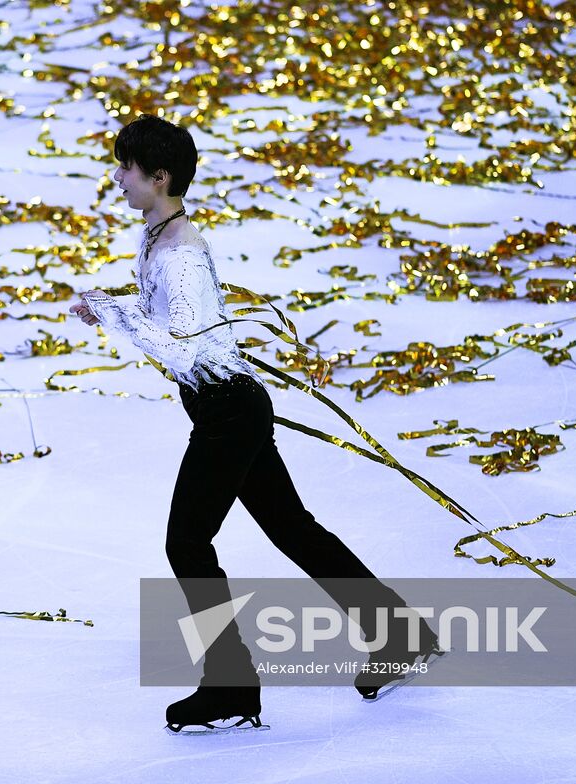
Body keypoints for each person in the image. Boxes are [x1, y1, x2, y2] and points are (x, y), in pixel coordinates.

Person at [70, 115, 440, 733]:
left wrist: (114, 314)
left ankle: (231, 686)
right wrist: (115, 308)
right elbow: (168, 317)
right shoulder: (161, 233)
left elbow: (184, 351)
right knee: (292, 528)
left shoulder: (180, 252)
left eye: (126, 170)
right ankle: (398, 633)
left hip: (226, 415)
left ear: (159, 178)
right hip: (228, 406)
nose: (117, 179)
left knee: (187, 544)